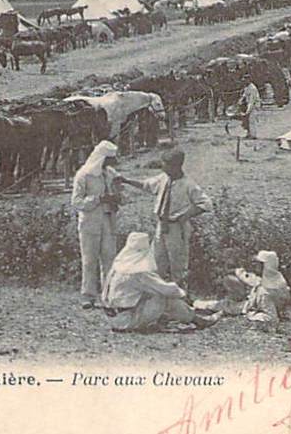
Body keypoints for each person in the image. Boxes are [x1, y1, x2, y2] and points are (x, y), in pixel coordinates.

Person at [117, 149, 213, 292]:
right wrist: (126, 180)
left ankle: (181, 296)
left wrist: (185, 215)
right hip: (161, 226)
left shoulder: (188, 184)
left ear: (176, 166)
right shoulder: (163, 178)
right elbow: (146, 185)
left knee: (178, 263)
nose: (163, 167)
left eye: (166, 165)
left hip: (177, 228)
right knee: (157, 261)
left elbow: (206, 204)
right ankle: (159, 294)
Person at [102, 232, 219, 333]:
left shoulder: (118, 267)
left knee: (151, 295)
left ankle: (185, 318)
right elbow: (169, 290)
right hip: (126, 320)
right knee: (163, 297)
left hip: (113, 318)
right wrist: (182, 292)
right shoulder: (139, 271)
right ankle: (198, 319)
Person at [71, 140, 123, 309]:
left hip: (108, 220)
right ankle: (88, 295)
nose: (112, 163)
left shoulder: (111, 174)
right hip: (90, 222)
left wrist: (117, 198)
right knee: (89, 259)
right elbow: (77, 202)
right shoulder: (84, 175)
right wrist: (98, 199)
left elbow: (121, 194)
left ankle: (108, 295)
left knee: (109, 258)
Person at [194, 250, 291, 327]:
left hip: (253, 306)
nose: (256, 265)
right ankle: (198, 304)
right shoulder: (276, 279)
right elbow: (247, 277)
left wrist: (251, 314)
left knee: (228, 306)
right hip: (255, 303)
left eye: (259, 263)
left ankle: (197, 305)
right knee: (226, 301)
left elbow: (271, 318)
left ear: (265, 265)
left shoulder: (266, 290)